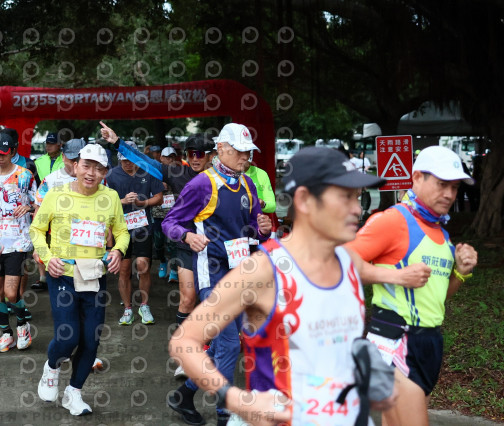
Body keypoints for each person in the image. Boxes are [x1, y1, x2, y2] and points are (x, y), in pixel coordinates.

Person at [168, 147, 399, 426]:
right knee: (226, 344)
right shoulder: (265, 269)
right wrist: (236, 399)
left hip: (350, 418)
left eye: (357, 197)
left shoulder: (348, 261)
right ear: (304, 200)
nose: (357, 209)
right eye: (345, 197)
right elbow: (184, 341)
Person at [347, 145, 478, 426]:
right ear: (417, 177)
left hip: (428, 342)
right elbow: (339, 262)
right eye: (442, 184)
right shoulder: (393, 221)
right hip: (396, 338)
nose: (449, 194)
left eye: (454, 187)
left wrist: (461, 273)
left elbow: (436, 297)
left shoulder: (442, 233)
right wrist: (396, 277)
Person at [163, 123, 273, 425]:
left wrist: (264, 229)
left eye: (249, 152)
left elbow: (254, 230)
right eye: (240, 151)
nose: (246, 157)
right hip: (210, 274)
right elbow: (170, 223)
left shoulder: (248, 185)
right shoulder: (203, 184)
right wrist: (188, 237)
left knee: (225, 344)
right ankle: (226, 414)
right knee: (230, 344)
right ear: (221, 149)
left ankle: (184, 395)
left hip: (239, 273)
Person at [31, 144, 129, 417]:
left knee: (91, 340)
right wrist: (47, 257)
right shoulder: (56, 194)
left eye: (98, 168)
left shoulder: (110, 197)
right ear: (75, 166)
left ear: (105, 173)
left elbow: (122, 231)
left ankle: (73, 392)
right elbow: (37, 229)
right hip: (62, 273)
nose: (91, 173)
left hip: (94, 276)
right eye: (86, 165)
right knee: (68, 335)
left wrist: (118, 251)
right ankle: (52, 367)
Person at [100, 122, 214, 335]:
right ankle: (187, 343)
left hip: (215, 245)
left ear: (212, 155)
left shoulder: (225, 178)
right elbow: (145, 161)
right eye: (190, 154)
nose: (194, 158)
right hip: (188, 243)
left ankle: (216, 340)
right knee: (188, 298)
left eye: (199, 153)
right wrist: (118, 143)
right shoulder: (178, 172)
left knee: (213, 298)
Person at [0, 133, 37, 352]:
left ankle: (23, 326)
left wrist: (30, 207)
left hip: (17, 241)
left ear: (13, 152)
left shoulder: (25, 175)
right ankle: (6, 334)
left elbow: (40, 203)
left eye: (3, 154)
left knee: (11, 293)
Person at [106, 141, 164, 325]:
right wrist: (123, 201)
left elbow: (159, 198)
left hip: (143, 227)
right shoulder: (111, 175)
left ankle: (144, 305)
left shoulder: (148, 171)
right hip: (121, 228)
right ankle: (127, 308)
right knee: (123, 269)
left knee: (142, 265)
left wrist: (142, 203)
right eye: (124, 161)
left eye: (131, 160)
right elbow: (104, 202)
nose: (128, 164)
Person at [31, 139, 86, 291]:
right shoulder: (51, 180)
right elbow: (38, 213)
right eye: (71, 158)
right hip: (57, 240)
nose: (75, 162)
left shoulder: (96, 180)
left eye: (79, 158)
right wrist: (38, 246)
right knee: (61, 288)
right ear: (63, 157)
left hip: (87, 242)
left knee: (87, 291)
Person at [153, 147, 179, 280]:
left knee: (173, 244)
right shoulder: (154, 172)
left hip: (173, 215)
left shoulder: (180, 172)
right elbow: (146, 189)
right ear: (161, 158)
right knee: (158, 243)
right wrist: (158, 185)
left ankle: (173, 269)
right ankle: (162, 262)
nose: (170, 160)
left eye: (172, 157)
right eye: (167, 157)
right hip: (158, 214)